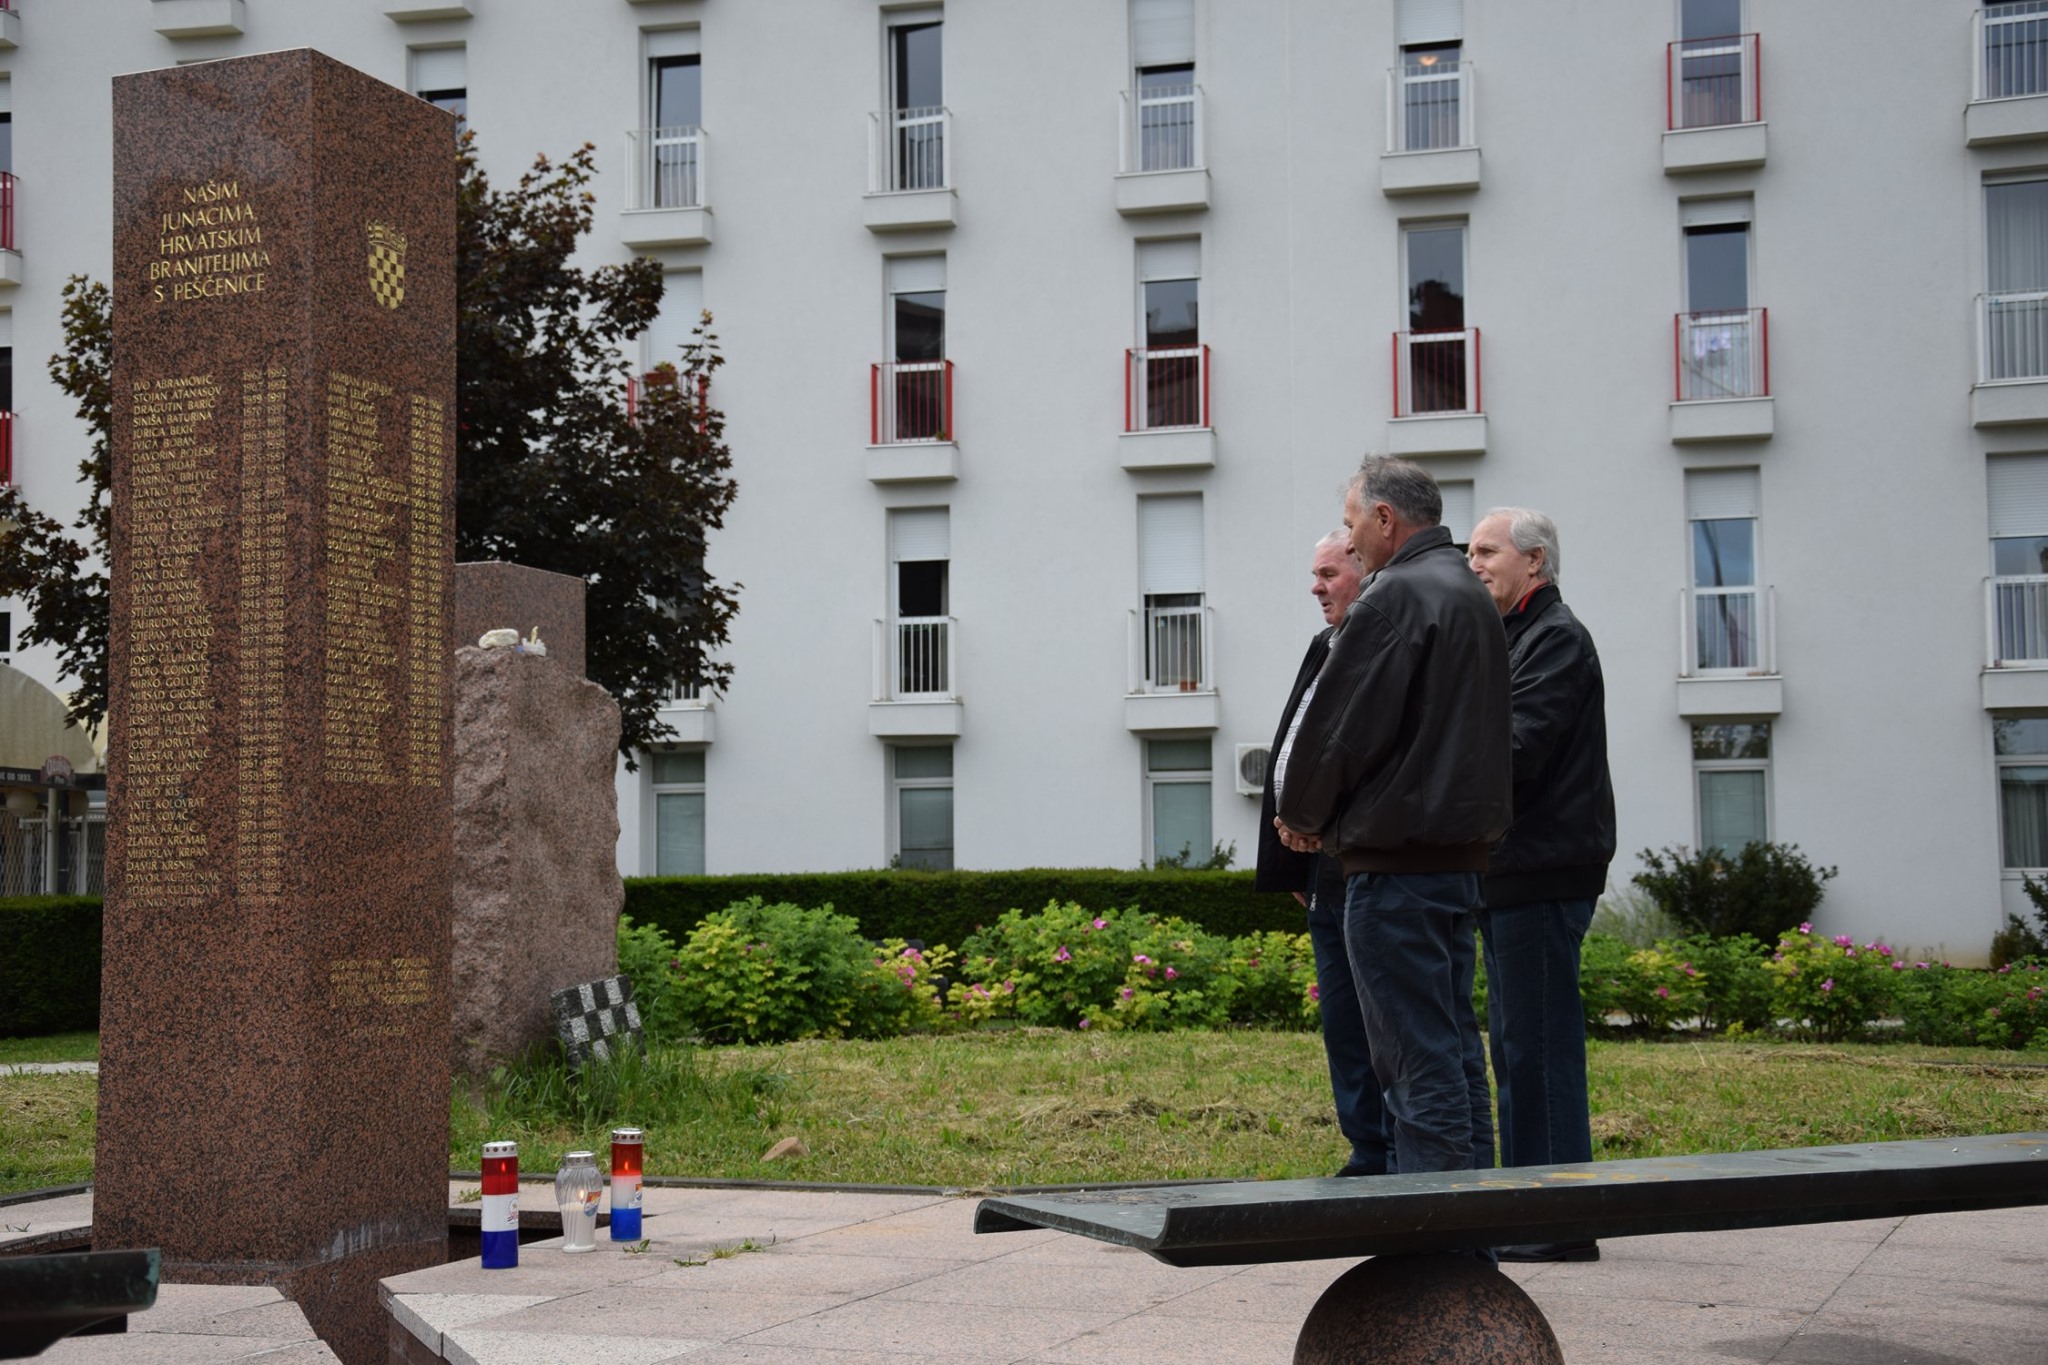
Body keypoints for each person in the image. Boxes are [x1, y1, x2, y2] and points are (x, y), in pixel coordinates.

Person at [1273, 457, 1513, 1182]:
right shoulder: (1470, 594)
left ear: (1385, 520)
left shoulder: (1395, 597)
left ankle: (1435, 1245)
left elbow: (1343, 728)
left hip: (1396, 867)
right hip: (1455, 862)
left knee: (1415, 1065)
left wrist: (1301, 816)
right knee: (1457, 1055)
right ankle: (1472, 1234)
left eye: (1352, 525)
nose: (1351, 542)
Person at [1465, 508, 1615, 1263]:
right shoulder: (1517, 637)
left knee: (1540, 1045)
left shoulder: (1554, 637)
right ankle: (1532, 1203)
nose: (1473, 562)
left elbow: (1516, 748)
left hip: (1543, 871)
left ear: (1536, 560)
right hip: (1516, 873)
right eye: (1469, 550)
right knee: (1518, 1045)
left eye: (1487, 550)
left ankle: (1556, 1216)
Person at [1254, 530, 1390, 1177]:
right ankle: (1366, 1146)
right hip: (1320, 866)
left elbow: (1357, 755)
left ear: (1364, 570)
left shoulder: (1378, 645)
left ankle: (1392, 1149)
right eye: (1314, 573)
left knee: (1375, 1017)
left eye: (1328, 572)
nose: (1315, 586)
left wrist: (1317, 821)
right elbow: (1297, 741)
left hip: (1358, 859)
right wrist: (1291, 853)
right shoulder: (1325, 644)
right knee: (1340, 1016)